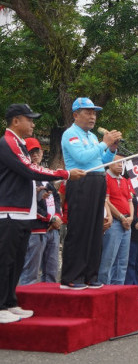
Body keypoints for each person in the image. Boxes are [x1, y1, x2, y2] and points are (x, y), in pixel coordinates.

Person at [0, 104, 84, 323]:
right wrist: (64, 173)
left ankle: (10, 302)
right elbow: (29, 169)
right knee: (5, 260)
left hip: (23, 213)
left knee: (17, 260)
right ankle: (0, 307)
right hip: (9, 213)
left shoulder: (18, 144)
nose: (33, 124)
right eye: (30, 119)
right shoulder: (8, 142)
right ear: (16, 121)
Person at [61, 97, 121, 290]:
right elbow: (82, 158)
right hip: (80, 182)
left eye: (94, 112)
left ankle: (90, 274)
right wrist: (104, 143)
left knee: (95, 230)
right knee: (79, 229)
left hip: (97, 181)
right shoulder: (70, 134)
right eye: (88, 112)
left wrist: (111, 149)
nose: (92, 116)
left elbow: (101, 160)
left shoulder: (93, 137)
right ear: (75, 115)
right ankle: (72, 276)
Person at [19, 138, 63, 285]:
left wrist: (57, 216)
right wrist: (51, 218)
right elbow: (27, 203)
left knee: (51, 270)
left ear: (42, 152)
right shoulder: (25, 176)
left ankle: (49, 302)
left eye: (37, 151)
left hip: (53, 229)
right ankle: (25, 302)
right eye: (31, 152)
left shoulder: (46, 177)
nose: (35, 155)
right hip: (36, 229)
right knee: (30, 271)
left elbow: (56, 198)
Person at [99, 154, 133, 285]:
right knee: (109, 260)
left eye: (122, 163)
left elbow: (130, 201)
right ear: (109, 163)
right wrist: (121, 217)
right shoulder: (105, 178)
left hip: (126, 223)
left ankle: (118, 291)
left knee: (122, 262)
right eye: (117, 162)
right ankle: (105, 290)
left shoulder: (124, 180)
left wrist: (130, 217)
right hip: (115, 223)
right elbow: (106, 200)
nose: (120, 165)